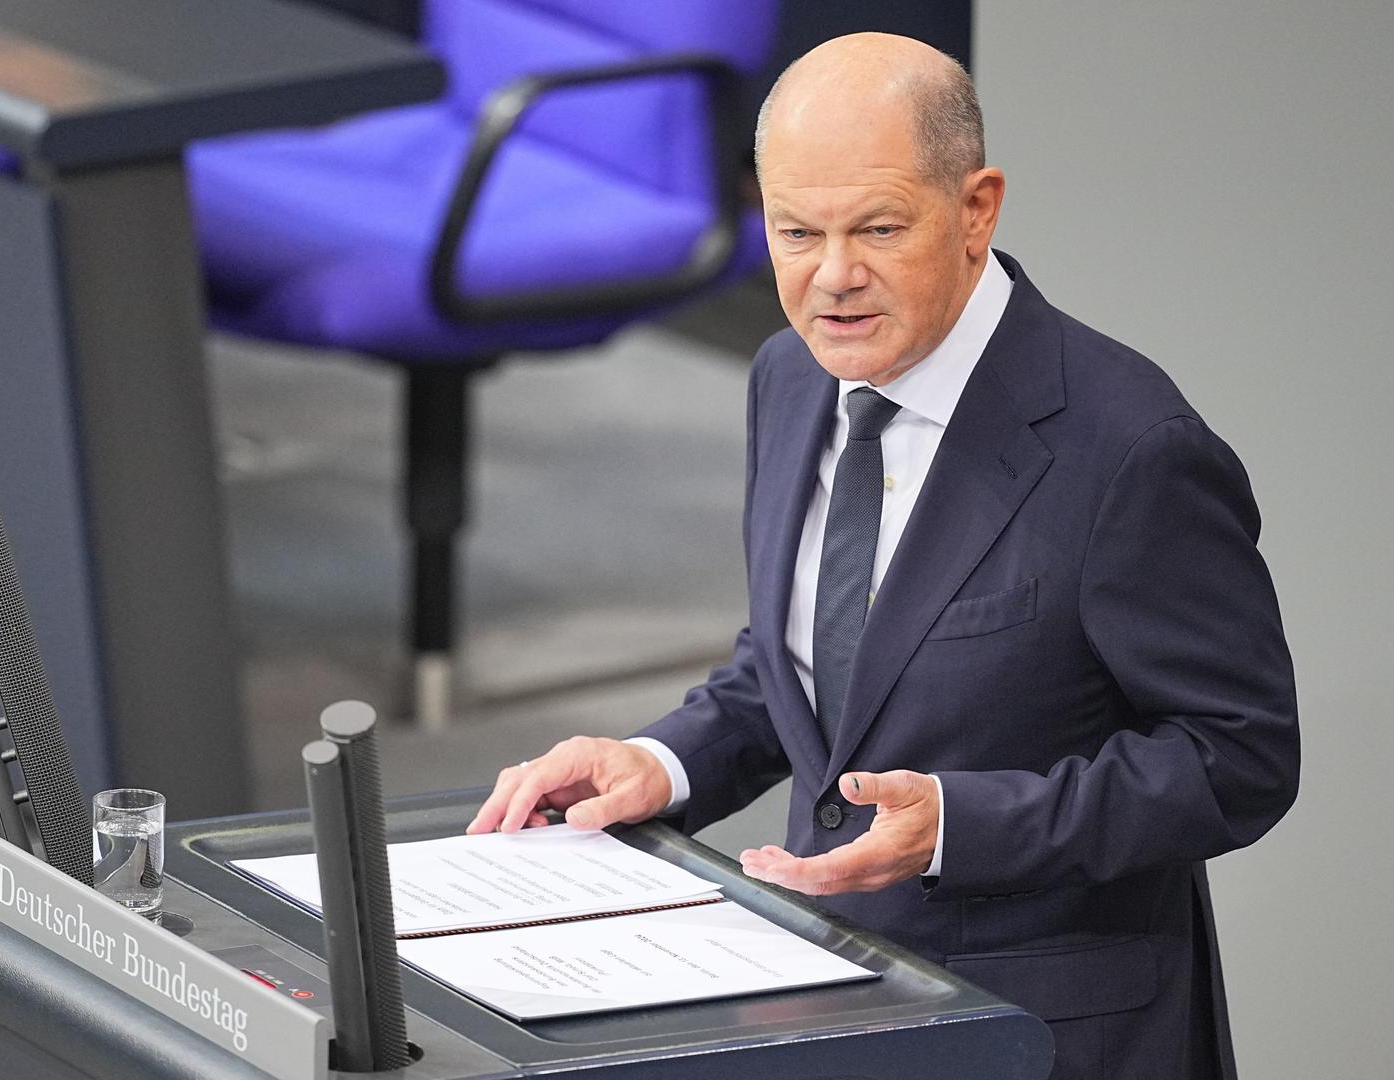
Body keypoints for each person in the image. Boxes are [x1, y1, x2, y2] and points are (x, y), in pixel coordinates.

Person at [468, 32, 1300, 1080]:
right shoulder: (789, 377)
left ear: (977, 209)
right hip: (826, 995)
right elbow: (819, 670)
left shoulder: (1128, 449)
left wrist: (960, 824)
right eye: (796, 233)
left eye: (878, 228)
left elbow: (1241, 756)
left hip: (1044, 1033)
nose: (833, 278)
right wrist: (662, 761)